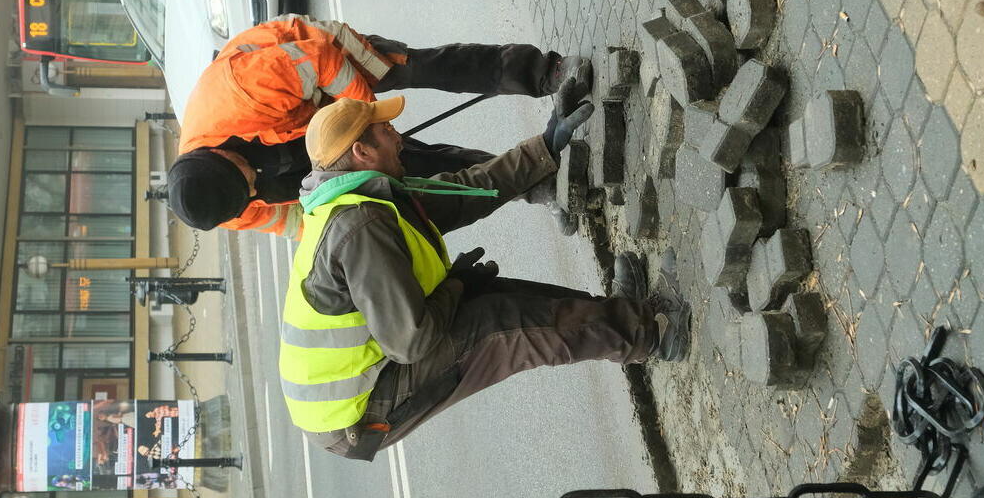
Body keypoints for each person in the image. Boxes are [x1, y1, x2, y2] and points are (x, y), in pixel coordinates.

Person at [278, 94, 692, 461]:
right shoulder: (359, 225)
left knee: (486, 295)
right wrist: (456, 285)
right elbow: (412, 342)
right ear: (362, 152)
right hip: (359, 411)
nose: (398, 137)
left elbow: (465, 191)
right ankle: (654, 333)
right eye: (386, 130)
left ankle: (625, 316)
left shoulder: (364, 195)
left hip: (376, 366)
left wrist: (544, 147)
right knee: (494, 325)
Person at [166, 14, 591, 237]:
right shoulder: (227, 205)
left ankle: (543, 72)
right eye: (249, 192)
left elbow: (317, 60)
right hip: (309, 148)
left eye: (244, 176)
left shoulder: (236, 94)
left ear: (217, 153)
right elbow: (296, 220)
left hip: (320, 60)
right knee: (416, 173)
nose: (253, 184)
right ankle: (533, 184)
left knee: (422, 68)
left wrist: (370, 121)